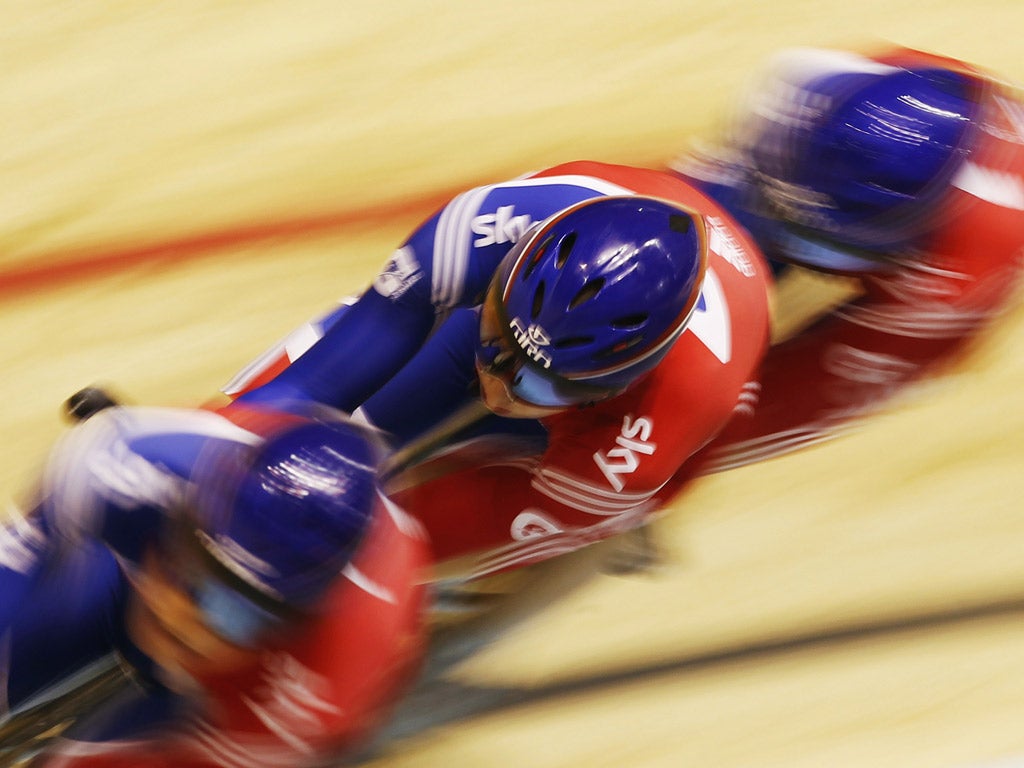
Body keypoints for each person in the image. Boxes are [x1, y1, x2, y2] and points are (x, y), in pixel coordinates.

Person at [219, 162, 774, 580]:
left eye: (533, 382)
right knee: (284, 428)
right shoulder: (485, 224)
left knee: (364, 558)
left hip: (635, 427)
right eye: (497, 344)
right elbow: (313, 383)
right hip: (531, 309)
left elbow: (472, 522)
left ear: (621, 380)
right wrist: (222, 452)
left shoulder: (655, 429)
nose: (497, 382)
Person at [0, 401, 430, 767]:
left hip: (258, 684)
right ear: (191, 513)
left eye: (234, 611)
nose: (178, 613)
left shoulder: (326, 685)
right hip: (149, 529)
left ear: (296, 620)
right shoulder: (123, 463)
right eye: (190, 565)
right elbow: (41, 552)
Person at [665, 45, 1024, 474]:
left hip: (944, 264)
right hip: (800, 174)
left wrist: (646, 464)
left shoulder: (958, 282)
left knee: (701, 430)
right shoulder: (806, 93)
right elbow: (672, 207)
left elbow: (800, 399)